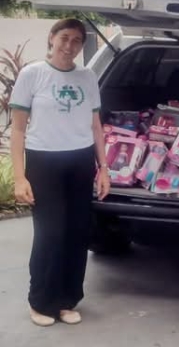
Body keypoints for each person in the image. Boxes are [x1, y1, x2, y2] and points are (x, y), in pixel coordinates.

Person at [9, 18, 111, 327]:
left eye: (76, 41)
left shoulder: (87, 76)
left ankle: (68, 299)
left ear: (82, 46)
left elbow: (96, 126)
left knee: (77, 232)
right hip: (44, 162)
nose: (69, 45)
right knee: (50, 234)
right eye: (64, 38)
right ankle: (41, 300)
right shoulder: (32, 74)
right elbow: (17, 129)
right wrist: (19, 176)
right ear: (52, 38)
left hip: (80, 162)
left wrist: (103, 167)